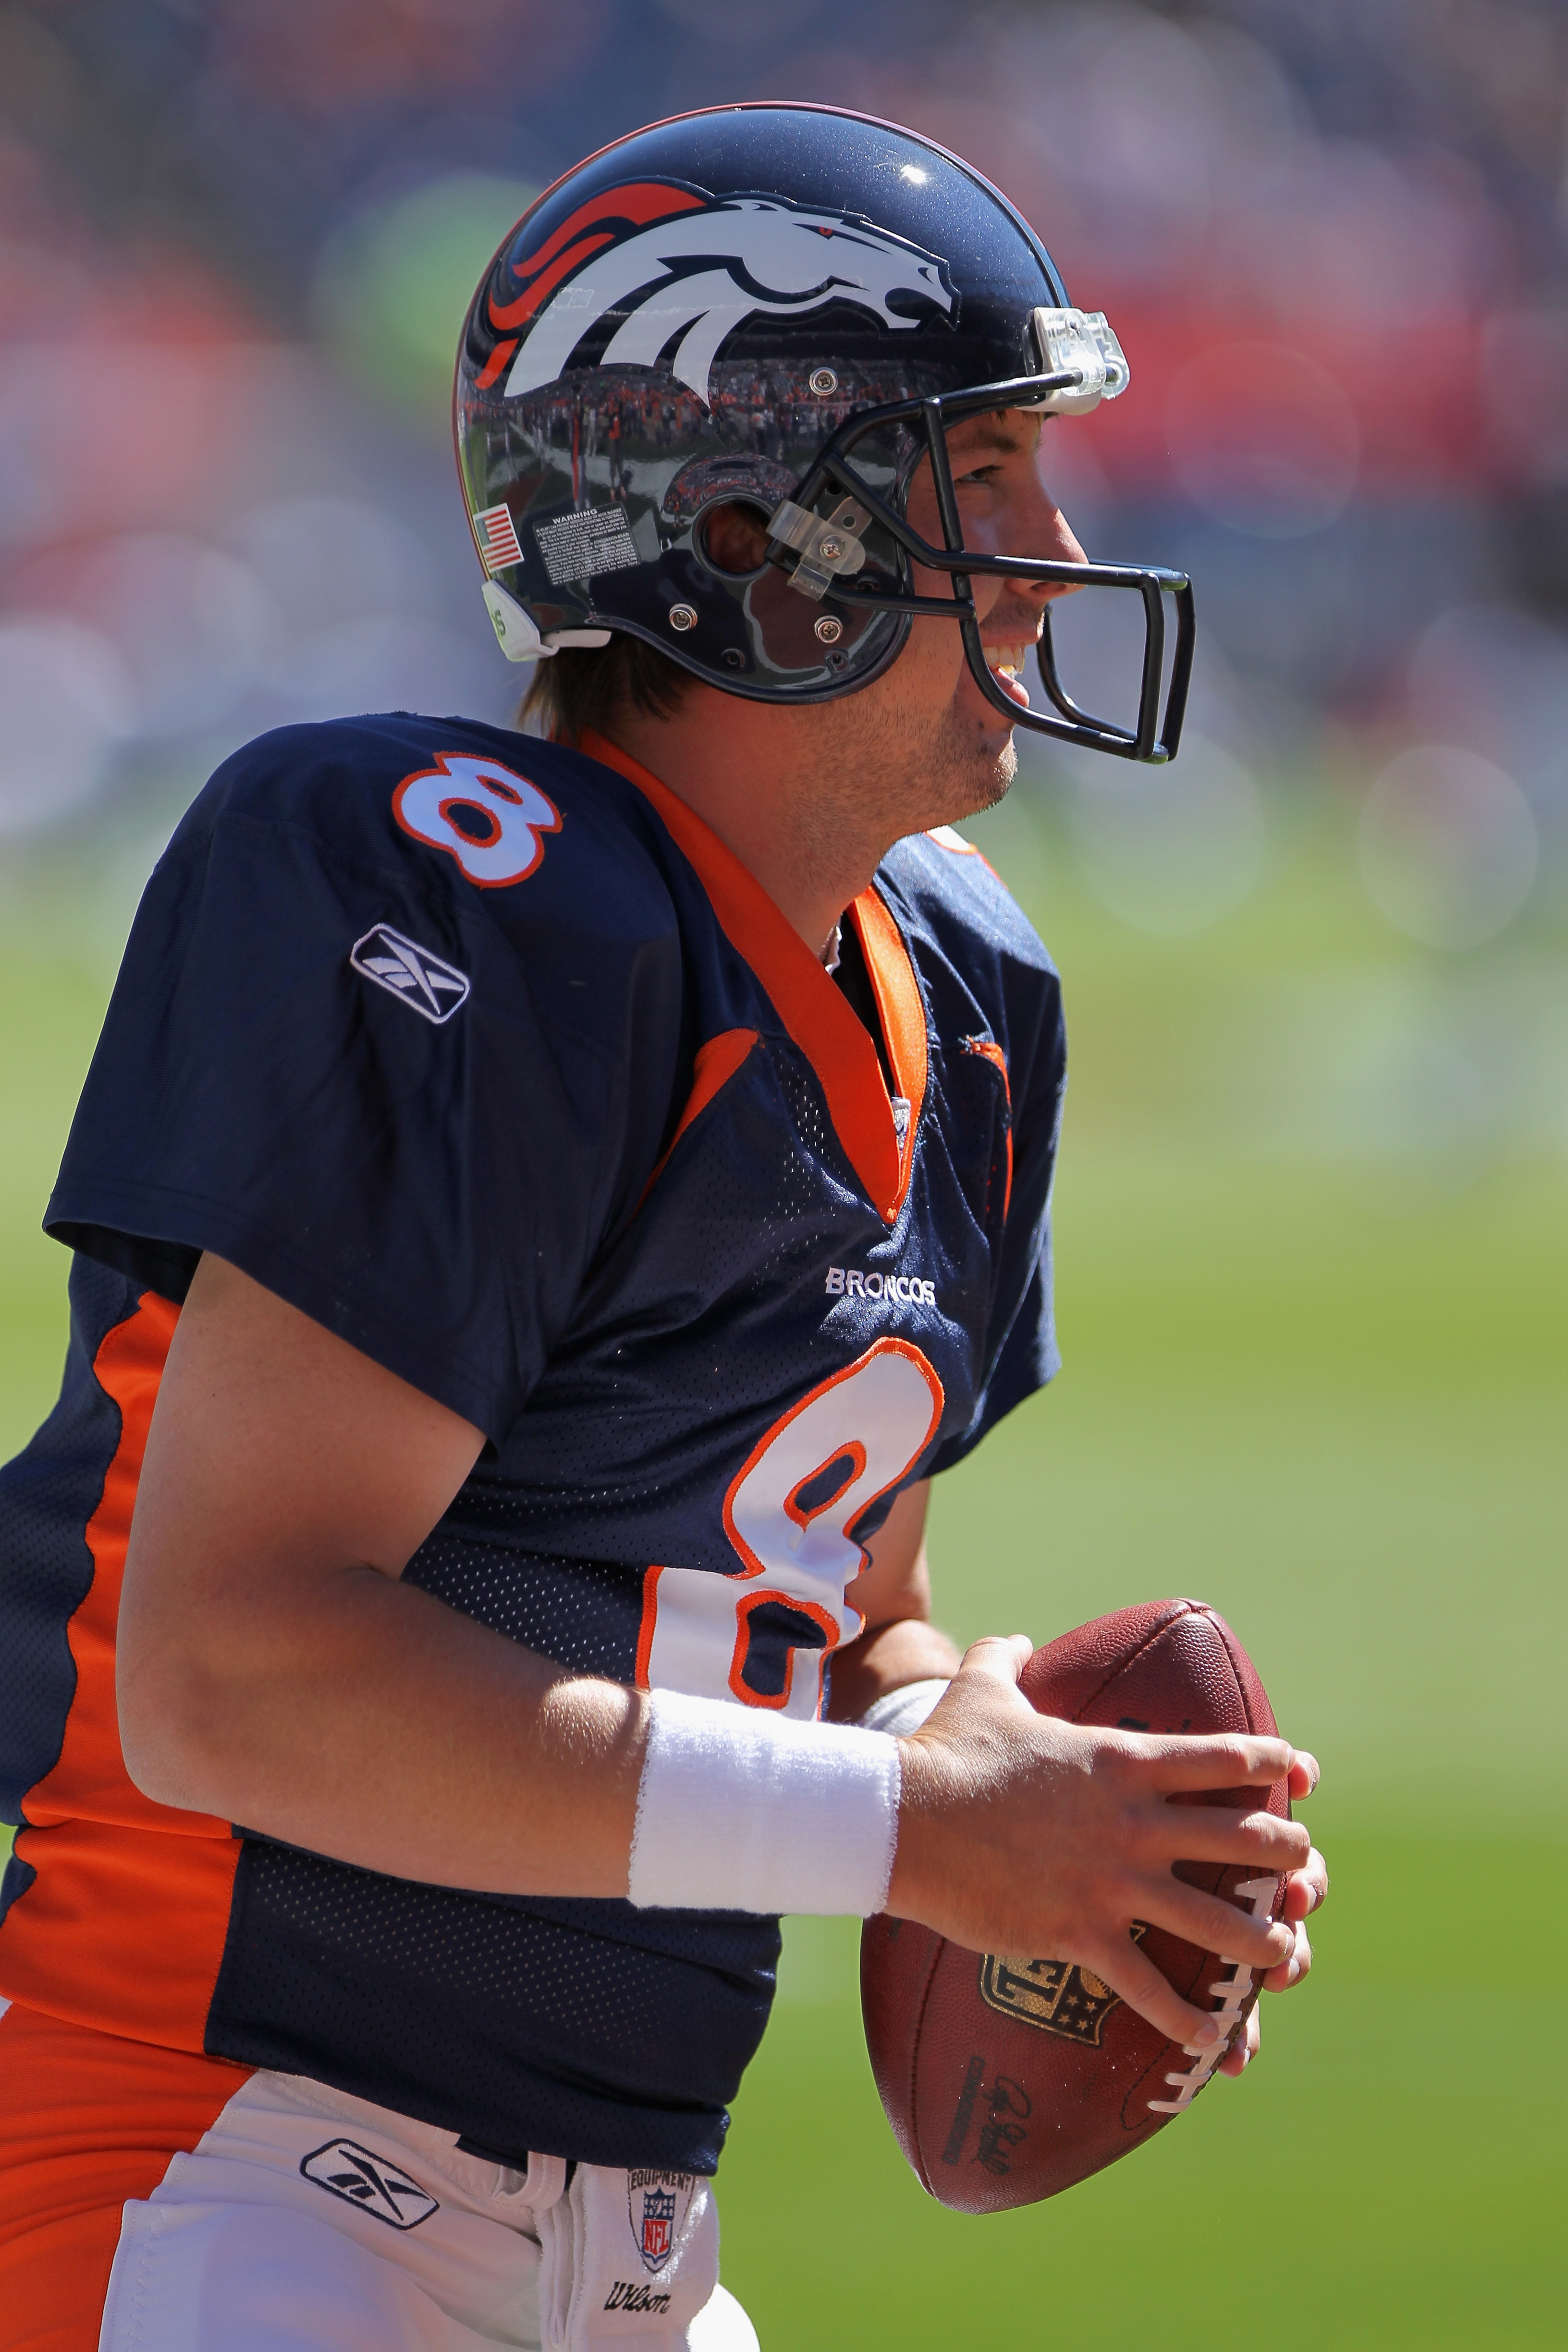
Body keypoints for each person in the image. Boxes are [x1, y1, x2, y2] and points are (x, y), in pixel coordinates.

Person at [0, 103, 1324, 2352]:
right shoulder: (459, 883)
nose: (1056, 548)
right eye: (981, 481)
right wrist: (915, 1833)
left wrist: (1034, 1790)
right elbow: (236, 1674)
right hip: (211, 2156)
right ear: (749, 534)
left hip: (625, 2240)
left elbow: (831, 1617)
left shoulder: (965, 992)